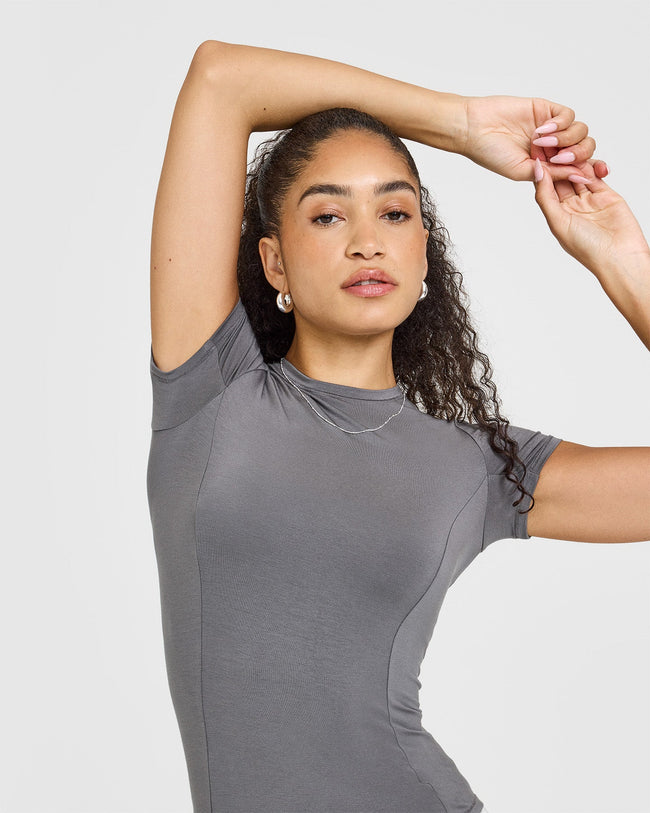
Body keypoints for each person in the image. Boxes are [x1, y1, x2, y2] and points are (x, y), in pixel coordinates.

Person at [146, 41, 650, 813]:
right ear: (275, 264)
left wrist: (623, 260)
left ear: (423, 258)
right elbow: (221, 78)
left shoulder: (479, 467)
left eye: (394, 211)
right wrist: (461, 124)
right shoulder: (211, 391)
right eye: (328, 214)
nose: (366, 240)